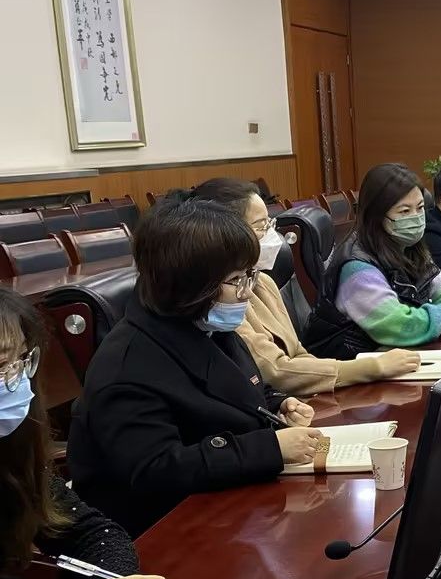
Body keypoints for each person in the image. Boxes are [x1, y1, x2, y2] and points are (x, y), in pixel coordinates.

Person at [69, 198, 325, 536]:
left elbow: (238, 390)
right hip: (165, 532)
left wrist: (277, 404)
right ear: (190, 285)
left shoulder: (205, 325)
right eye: (237, 280)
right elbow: (158, 470)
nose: (248, 293)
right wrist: (270, 448)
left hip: (231, 505)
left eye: (249, 276)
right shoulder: (126, 368)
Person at [0, 288, 174, 579]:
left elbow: (94, 533)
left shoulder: (11, 448)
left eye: (23, 360)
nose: (16, 382)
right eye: (0, 366)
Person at [185, 178, 422, 395]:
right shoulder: (220, 299)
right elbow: (275, 371)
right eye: (261, 226)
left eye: (270, 223)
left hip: (297, 401)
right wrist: (370, 368)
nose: (272, 235)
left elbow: (298, 352)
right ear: (226, 233)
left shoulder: (264, 282)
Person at [304, 164, 441, 360]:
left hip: (393, 358)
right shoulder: (357, 266)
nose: (416, 217)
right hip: (351, 367)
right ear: (376, 215)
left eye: (420, 208)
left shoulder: (409, 246)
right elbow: (396, 325)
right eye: (404, 211)